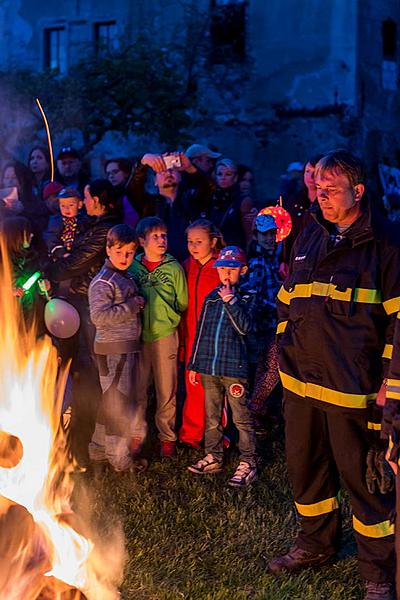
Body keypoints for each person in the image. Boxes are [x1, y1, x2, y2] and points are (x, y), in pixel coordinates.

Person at [269, 150, 400, 600]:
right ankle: (314, 544)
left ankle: (378, 574)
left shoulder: (386, 245)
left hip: (353, 392)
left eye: (331, 190)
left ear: (358, 192)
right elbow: (289, 299)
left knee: (365, 484)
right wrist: (287, 350)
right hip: (300, 385)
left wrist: (389, 383)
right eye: (318, 189)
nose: (321, 198)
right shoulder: (309, 235)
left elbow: (399, 325)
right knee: (306, 473)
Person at [45, 179, 120, 465]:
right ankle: (76, 442)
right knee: (77, 373)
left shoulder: (103, 230)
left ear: (98, 200)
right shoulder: (92, 225)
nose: (84, 203)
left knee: (88, 376)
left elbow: (71, 265)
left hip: (90, 308)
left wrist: (53, 265)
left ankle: (85, 446)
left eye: (87, 198)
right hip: (78, 305)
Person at [187, 246, 257, 488]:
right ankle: (214, 456)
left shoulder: (248, 298)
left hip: (234, 370)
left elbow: (245, 328)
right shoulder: (211, 297)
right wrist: (195, 364)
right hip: (210, 368)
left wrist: (231, 301)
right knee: (212, 416)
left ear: (243, 270)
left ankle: (248, 461)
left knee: (241, 417)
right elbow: (202, 331)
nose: (226, 274)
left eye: (232, 269)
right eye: (222, 269)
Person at [129, 216, 188, 459]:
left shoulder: (173, 268)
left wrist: (168, 315)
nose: (162, 240)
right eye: (155, 236)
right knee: (138, 388)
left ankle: (167, 437)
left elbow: (182, 301)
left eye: (164, 235)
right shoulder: (132, 267)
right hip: (139, 336)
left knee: (167, 389)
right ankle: (135, 434)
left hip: (165, 335)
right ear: (142, 241)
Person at [88, 224, 145, 473]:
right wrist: (133, 305)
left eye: (130, 253)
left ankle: (98, 449)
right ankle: (118, 457)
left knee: (111, 400)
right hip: (114, 350)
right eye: (120, 252)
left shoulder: (124, 276)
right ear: (108, 249)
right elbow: (99, 317)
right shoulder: (103, 282)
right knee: (118, 404)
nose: (125, 258)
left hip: (123, 347)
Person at [179, 219, 224, 449]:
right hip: (192, 336)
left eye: (199, 241)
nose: (194, 246)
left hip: (215, 338)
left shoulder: (221, 267)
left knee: (216, 387)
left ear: (213, 242)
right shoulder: (187, 266)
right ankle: (191, 435)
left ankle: (219, 434)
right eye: (190, 241)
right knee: (193, 387)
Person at [130, 152, 212, 261]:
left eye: (172, 170)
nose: (168, 173)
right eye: (161, 171)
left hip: (189, 263)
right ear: (155, 181)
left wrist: (190, 168)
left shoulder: (191, 200)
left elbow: (209, 187)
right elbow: (132, 189)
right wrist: (143, 162)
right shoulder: (148, 204)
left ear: (180, 177)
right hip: (157, 267)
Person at [244, 213, 282, 429]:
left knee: (264, 367)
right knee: (272, 368)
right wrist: (276, 306)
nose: (269, 238)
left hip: (269, 324)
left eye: (272, 234)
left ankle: (258, 413)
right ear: (256, 236)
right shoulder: (258, 263)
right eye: (265, 234)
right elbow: (253, 296)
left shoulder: (270, 259)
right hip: (263, 324)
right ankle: (253, 408)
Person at [210, 159, 254, 248]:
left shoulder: (243, 200)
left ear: (235, 177)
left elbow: (249, 235)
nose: (223, 177)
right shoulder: (211, 198)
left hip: (235, 251)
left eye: (228, 174)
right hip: (214, 251)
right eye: (220, 174)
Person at [44, 188, 87, 260]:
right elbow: (51, 237)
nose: (66, 209)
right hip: (59, 257)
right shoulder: (56, 221)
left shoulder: (84, 221)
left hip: (78, 256)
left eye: (71, 205)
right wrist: (61, 252)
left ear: (79, 204)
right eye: (63, 206)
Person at [104, 157, 139, 228]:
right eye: (108, 174)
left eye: (115, 172)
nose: (111, 176)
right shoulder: (110, 196)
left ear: (126, 173)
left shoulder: (134, 191)